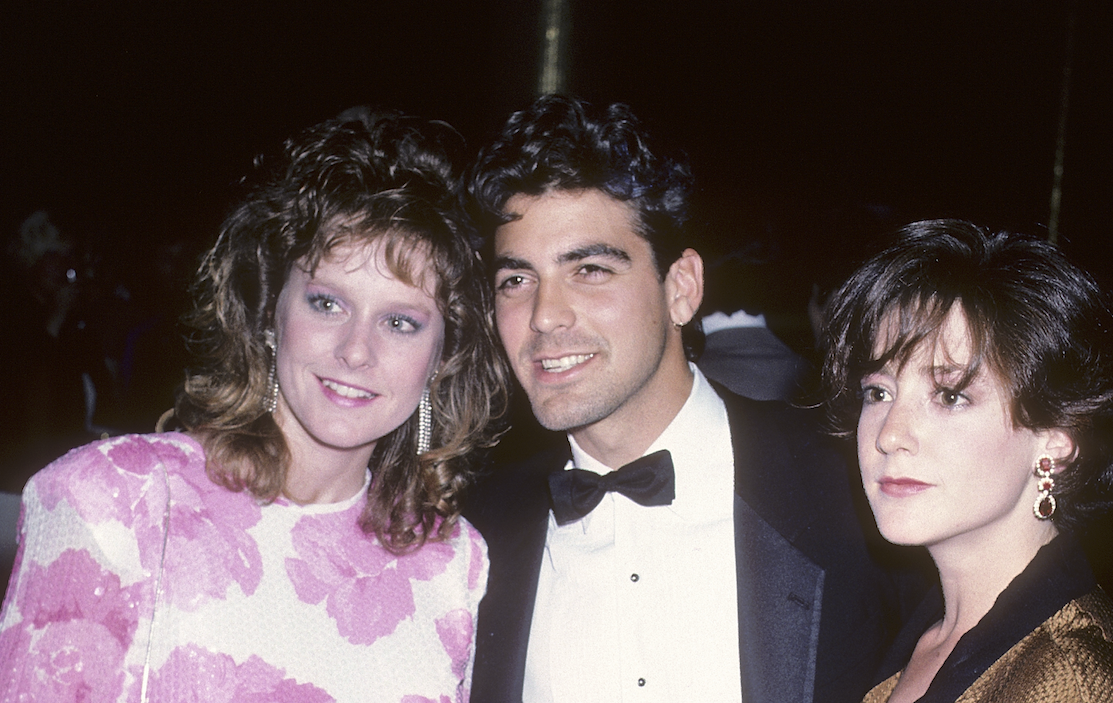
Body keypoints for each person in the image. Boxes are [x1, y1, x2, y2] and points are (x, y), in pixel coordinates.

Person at [0, 109, 507, 702]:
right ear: (270, 313)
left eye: (400, 322)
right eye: (327, 303)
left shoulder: (452, 564)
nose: (356, 350)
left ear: (442, 358)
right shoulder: (113, 499)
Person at [463, 95, 916, 703]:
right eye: (516, 280)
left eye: (590, 269)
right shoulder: (474, 533)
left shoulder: (854, 490)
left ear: (681, 288)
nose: (544, 316)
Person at [821, 219, 1113, 703]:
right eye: (878, 392)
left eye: (950, 395)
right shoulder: (927, 635)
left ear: (1055, 439)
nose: (890, 434)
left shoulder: (1073, 684)